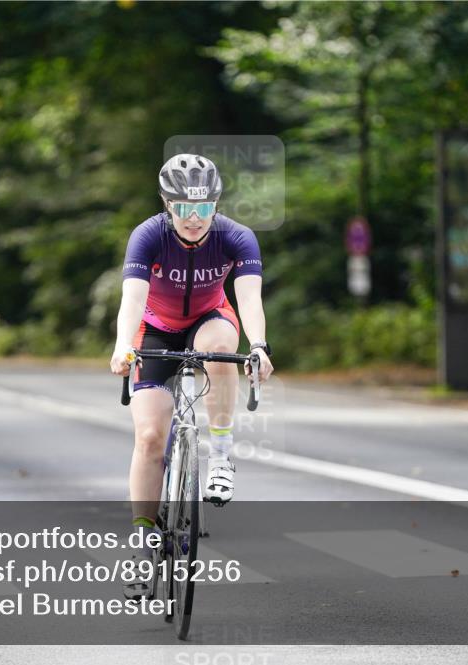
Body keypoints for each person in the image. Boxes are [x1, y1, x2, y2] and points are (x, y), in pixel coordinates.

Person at [109, 153, 274, 597]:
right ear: (167, 204)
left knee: (221, 349)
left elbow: (249, 302)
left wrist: (258, 346)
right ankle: (142, 540)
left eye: (203, 208)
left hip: (209, 319)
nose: (194, 218)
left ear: (216, 205)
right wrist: (123, 344)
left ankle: (220, 456)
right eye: (183, 207)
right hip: (155, 329)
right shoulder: (148, 236)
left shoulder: (236, 237)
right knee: (148, 438)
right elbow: (131, 300)